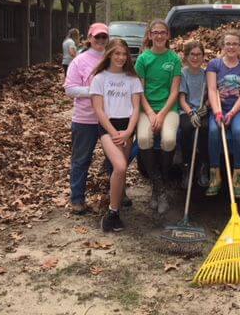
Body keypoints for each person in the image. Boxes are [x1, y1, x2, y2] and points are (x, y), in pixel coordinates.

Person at [90, 39, 143, 232]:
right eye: (117, 53)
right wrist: (113, 133)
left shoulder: (132, 79)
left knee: (119, 170)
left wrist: (129, 131)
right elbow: (99, 110)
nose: (121, 57)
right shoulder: (99, 78)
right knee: (120, 166)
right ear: (109, 54)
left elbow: (136, 108)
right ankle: (111, 213)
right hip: (108, 128)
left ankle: (116, 212)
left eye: (124, 54)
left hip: (127, 127)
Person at [135, 19, 182, 214]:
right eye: (155, 32)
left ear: (168, 35)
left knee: (169, 139)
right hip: (146, 109)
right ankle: (158, 187)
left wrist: (161, 114)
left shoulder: (174, 59)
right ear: (150, 36)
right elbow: (140, 91)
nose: (159, 36)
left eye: (163, 32)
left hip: (169, 109)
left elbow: (174, 92)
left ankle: (160, 185)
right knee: (144, 138)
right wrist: (151, 113)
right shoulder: (143, 59)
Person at [64, 23, 110, 214]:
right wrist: (94, 91)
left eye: (103, 38)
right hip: (86, 119)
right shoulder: (79, 61)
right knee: (81, 160)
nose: (100, 41)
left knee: (117, 159)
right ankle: (77, 199)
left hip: (111, 118)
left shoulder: (113, 59)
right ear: (90, 38)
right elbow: (69, 89)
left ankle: (116, 195)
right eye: (97, 37)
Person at [206, 30, 240, 199]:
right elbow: (212, 89)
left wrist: (232, 113)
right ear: (222, 46)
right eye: (228, 43)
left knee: (239, 131)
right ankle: (215, 175)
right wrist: (218, 111)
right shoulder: (214, 65)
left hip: (238, 110)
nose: (231, 47)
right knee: (213, 131)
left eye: (235, 44)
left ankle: (238, 177)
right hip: (218, 108)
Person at [178, 41, 210, 188]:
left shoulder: (206, 74)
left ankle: (203, 166)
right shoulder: (183, 73)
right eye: (192, 54)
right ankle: (186, 167)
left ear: (203, 56)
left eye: (198, 55)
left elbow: (211, 96)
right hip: (187, 111)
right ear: (186, 56)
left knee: (204, 128)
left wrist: (206, 106)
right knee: (186, 128)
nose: (195, 58)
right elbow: (182, 99)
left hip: (202, 110)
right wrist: (191, 113)